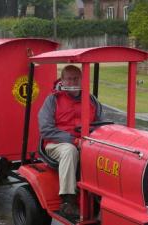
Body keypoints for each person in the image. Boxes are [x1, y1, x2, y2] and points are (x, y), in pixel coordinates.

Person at [38, 65, 103, 218]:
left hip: (86, 142)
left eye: (76, 78)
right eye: (69, 78)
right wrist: (74, 140)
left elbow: (101, 123)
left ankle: (101, 199)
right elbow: (46, 129)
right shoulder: (52, 100)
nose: (73, 81)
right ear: (62, 80)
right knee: (70, 150)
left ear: (81, 79)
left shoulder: (91, 99)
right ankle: (68, 200)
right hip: (57, 143)